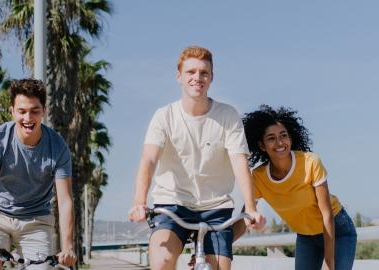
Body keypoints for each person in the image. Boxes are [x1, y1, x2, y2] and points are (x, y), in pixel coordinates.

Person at [128, 46, 266, 270]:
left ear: (211, 77)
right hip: (173, 205)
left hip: (216, 207)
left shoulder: (228, 115)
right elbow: (149, 160)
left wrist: (250, 208)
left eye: (204, 73)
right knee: (162, 262)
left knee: (220, 267)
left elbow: (240, 162)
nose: (197, 78)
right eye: (191, 72)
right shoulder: (164, 116)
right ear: (179, 76)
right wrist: (139, 202)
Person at [0, 79, 76, 270]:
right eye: (22, 111)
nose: (28, 118)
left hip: (36, 221)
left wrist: (68, 247)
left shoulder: (58, 147)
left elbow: (65, 200)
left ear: (44, 111)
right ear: (12, 111)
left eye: (35, 111)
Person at [239, 104, 357, 270]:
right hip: (306, 236)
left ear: (290, 138)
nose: (280, 142)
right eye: (271, 138)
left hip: (337, 230)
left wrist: (329, 263)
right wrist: (219, 245)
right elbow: (245, 216)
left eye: (283, 135)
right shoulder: (258, 177)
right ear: (261, 145)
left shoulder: (310, 162)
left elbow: (327, 214)